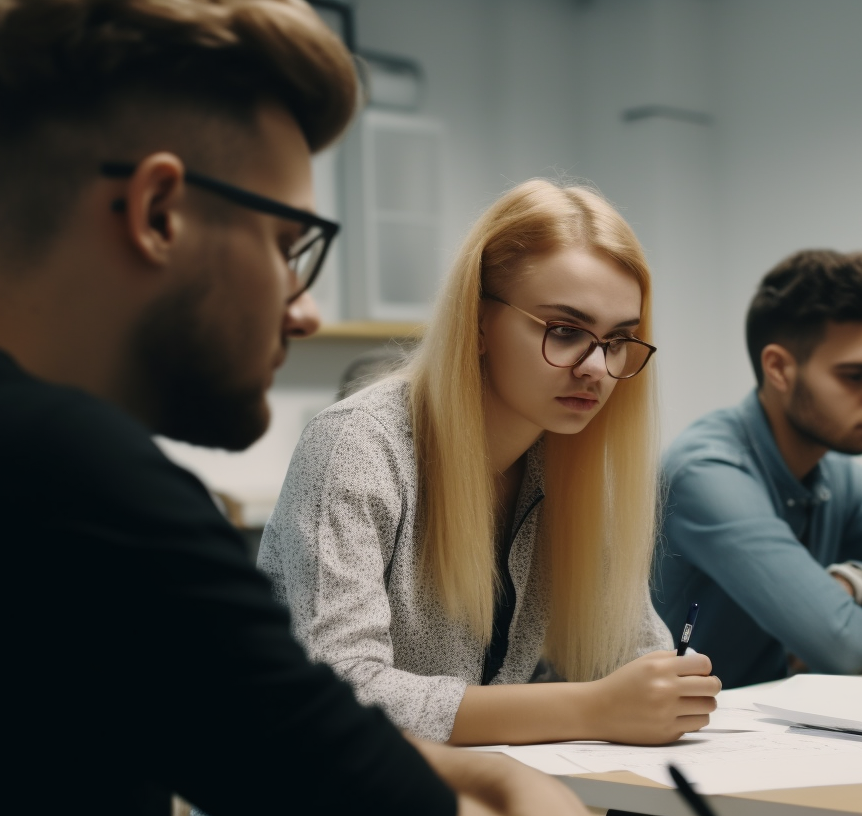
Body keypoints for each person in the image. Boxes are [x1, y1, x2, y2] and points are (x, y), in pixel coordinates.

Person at [0, 1, 584, 814]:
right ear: (158, 215)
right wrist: (509, 786)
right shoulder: (87, 489)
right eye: (287, 246)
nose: (307, 310)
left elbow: (299, 749)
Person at [259, 179, 719, 746]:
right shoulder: (355, 446)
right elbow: (339, 692)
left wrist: (667, 687)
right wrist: (590, 708)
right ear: (478, 321)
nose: (597, 368)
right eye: (566, 331)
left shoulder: (571, 465)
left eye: (619, 338)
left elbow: (630, 653)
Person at [654, 249, 862, 689]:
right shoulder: (706, 474)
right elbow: (845, 647)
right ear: (778, 369)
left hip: (770, 735)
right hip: (664, 744)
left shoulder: (836, 475)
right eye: (856, 376)